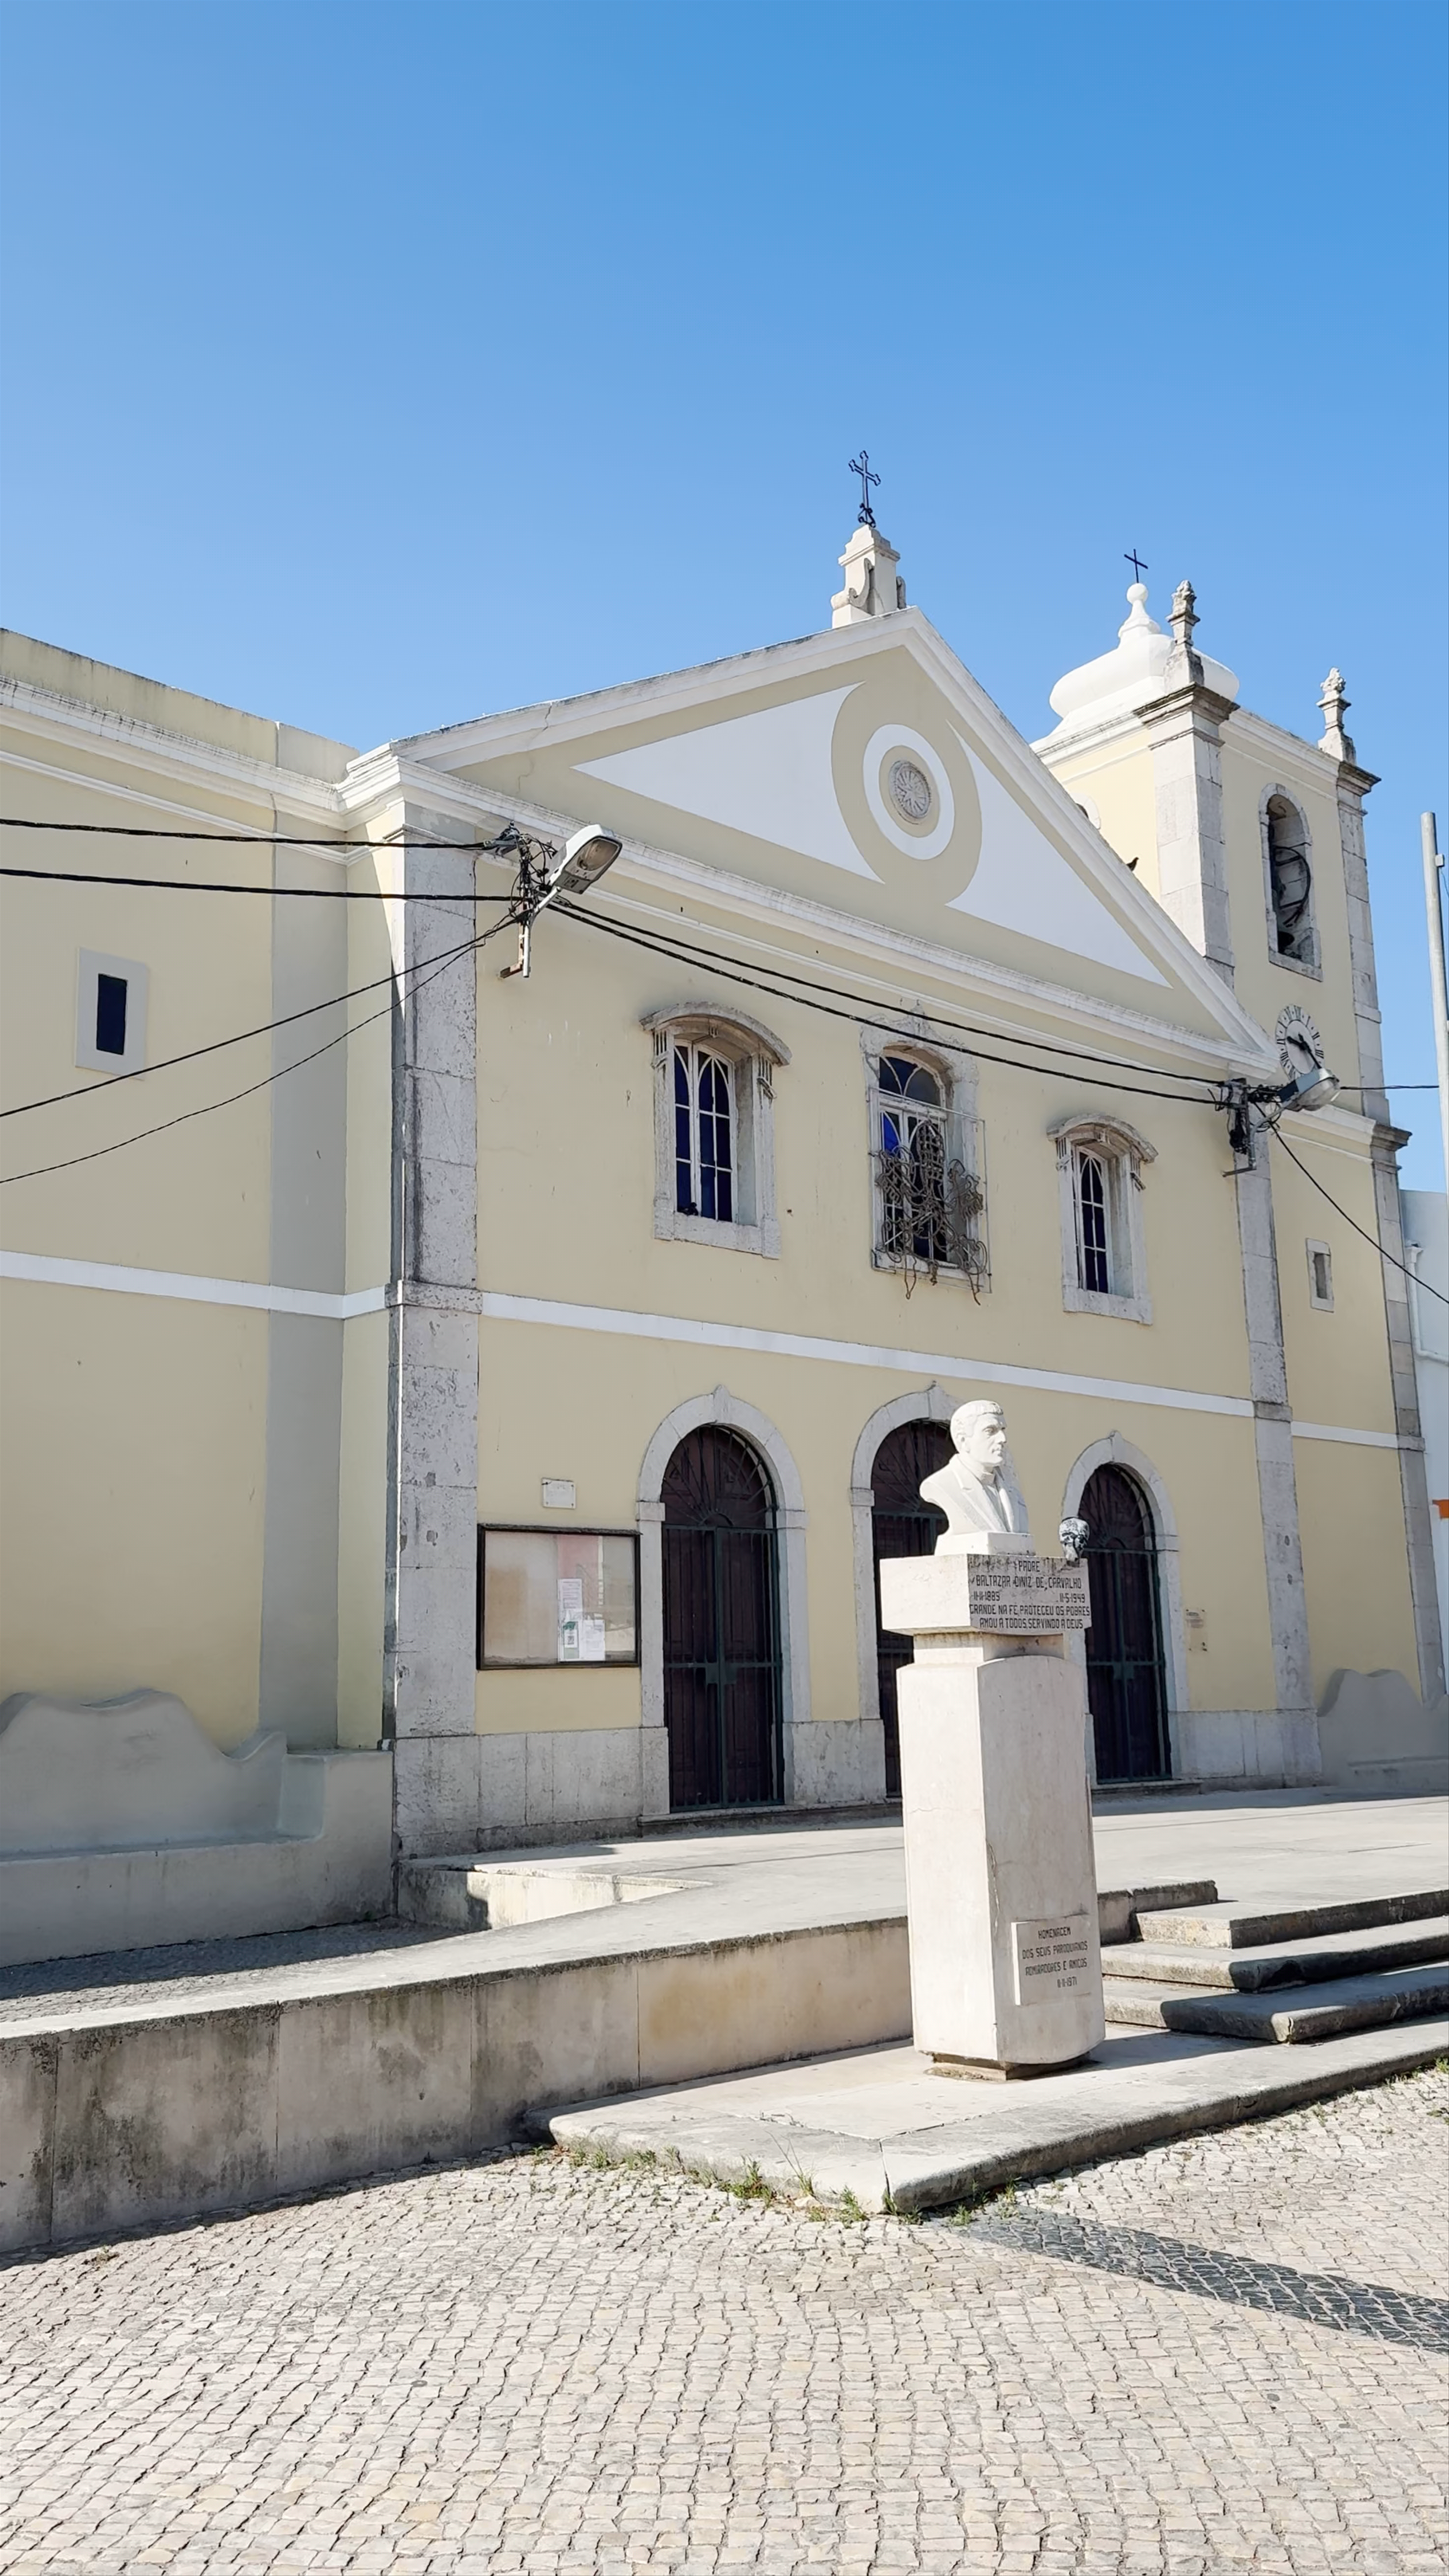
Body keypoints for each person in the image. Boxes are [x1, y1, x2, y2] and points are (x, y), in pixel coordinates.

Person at [919, 1399, 1029, 1543]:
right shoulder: (942, 1485)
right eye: (991, 1431)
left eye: (1002, 1430)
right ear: (963, 1440)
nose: (1003, 1439)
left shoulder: (1015, 1495)